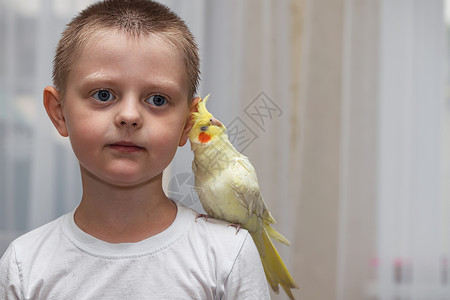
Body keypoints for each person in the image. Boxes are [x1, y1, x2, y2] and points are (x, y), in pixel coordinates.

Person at [0, 0, 270, 298]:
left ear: (187, 124)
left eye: (157, 100)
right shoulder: (23, 264)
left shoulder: (228, 255)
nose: (129, 116)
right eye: (103, 94)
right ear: (59, 113)